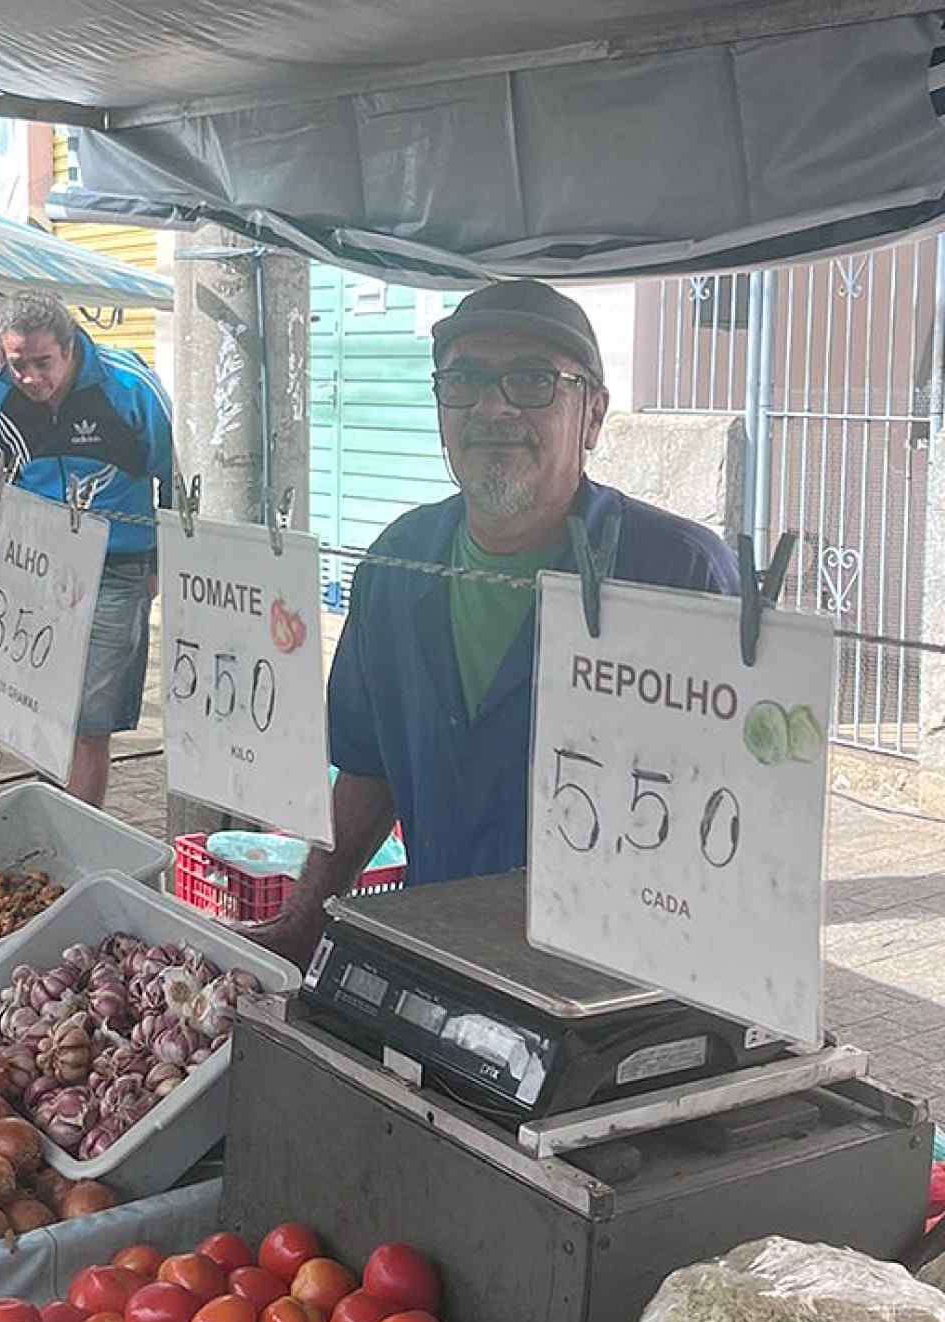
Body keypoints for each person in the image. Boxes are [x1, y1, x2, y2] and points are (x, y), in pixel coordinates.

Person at [256, 280, 740, 966]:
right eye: (465, 379)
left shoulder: (678, 574)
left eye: (532, 380)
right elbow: (367, 771)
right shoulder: (398, 563)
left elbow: (729, 822)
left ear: (593, 415)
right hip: (439, 957)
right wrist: (304, 919)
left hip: (611, 982)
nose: (492, 405)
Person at [0, 292, 173, 805]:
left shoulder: (129, 388)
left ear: (71, 347)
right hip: (33, 565)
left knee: (89, 720)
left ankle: (80, 833)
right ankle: (46, 811)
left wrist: (159, 566)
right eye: (18, 365)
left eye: (43, 363)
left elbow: (172, 475)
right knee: (38, 703)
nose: (31, 378)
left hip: (116, 569)